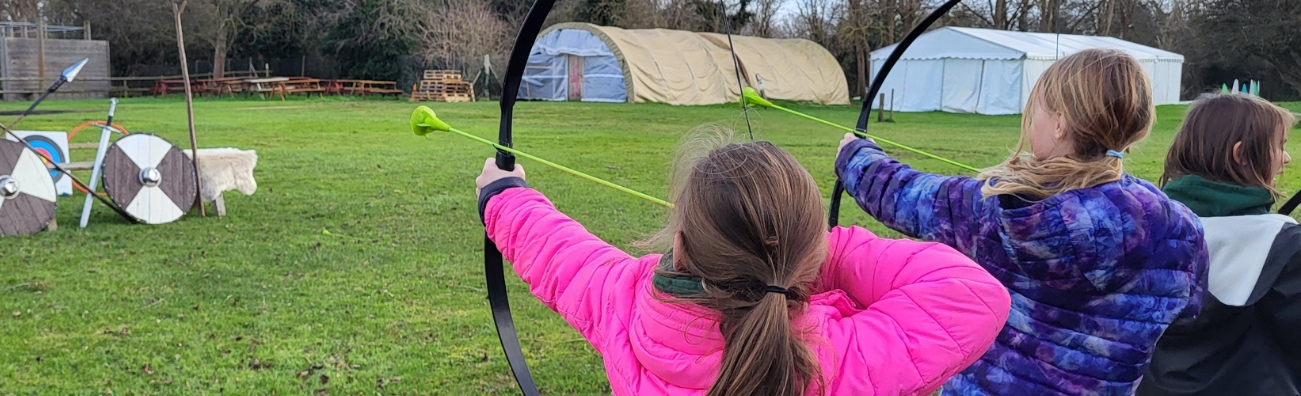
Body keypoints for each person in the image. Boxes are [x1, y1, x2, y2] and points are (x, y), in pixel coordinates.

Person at [475, 132, 1011, 396]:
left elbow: (564, 256)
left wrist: (503, 196)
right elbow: (970, 292)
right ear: (810, 254)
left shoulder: (628, 303)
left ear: (681, 242)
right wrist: (826, 252)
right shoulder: (837, 360)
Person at [833, 48, 1208, 395]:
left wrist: (854, 154)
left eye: (1038, 112)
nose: (1032, 126)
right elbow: (1187, 312)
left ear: (1059, 124)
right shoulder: (1179, 228)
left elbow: (907, 196)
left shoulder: (1006, 213)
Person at [1140, 94, 1300, 395]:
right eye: (1280, 146)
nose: (1286, 158)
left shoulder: (1140, 226)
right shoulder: (1284, 246)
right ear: (1241, 154)